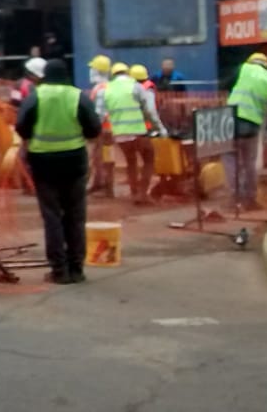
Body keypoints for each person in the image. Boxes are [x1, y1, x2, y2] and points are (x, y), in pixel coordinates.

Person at [16, 59, 101, 284]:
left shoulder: (36, 95)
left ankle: (59, 270)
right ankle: (76, 268)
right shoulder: (77, 96)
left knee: (52, 215)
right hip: (74, 162)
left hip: (43, 163)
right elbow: (94, 128)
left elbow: (22, 127)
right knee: (75, 215)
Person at [224, 52, 267, 211]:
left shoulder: (243, 68)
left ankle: (234, 200)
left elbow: (225, 85)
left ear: (250, 62)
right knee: (249, 163)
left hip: (231, 121)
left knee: (231, 159)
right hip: (252, 125)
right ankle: (250, 199)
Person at [104, 62, 167, 205]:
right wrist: (160, 129)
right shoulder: (135, 86)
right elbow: (150, 111)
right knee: (149, 159)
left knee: (131, 162)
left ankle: (134, 192)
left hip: (119, 134)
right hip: (137, 131)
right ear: (127, 73)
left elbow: (102, 113)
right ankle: (143, 194)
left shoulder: (107, 89)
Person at [86, 54, 114, 195]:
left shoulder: (101, 89)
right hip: (108, 129)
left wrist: (93, 128)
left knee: (103, 157)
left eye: (92, 68)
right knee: (103, 157)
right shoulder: (107, 86)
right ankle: (101, 184)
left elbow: (100, 112)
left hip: (104, 130)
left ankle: (106, 186)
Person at [129, 64, 158, 132]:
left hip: (136, 126)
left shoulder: (131, 88)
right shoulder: (148, 87)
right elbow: (151, 110)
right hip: (147, 126)